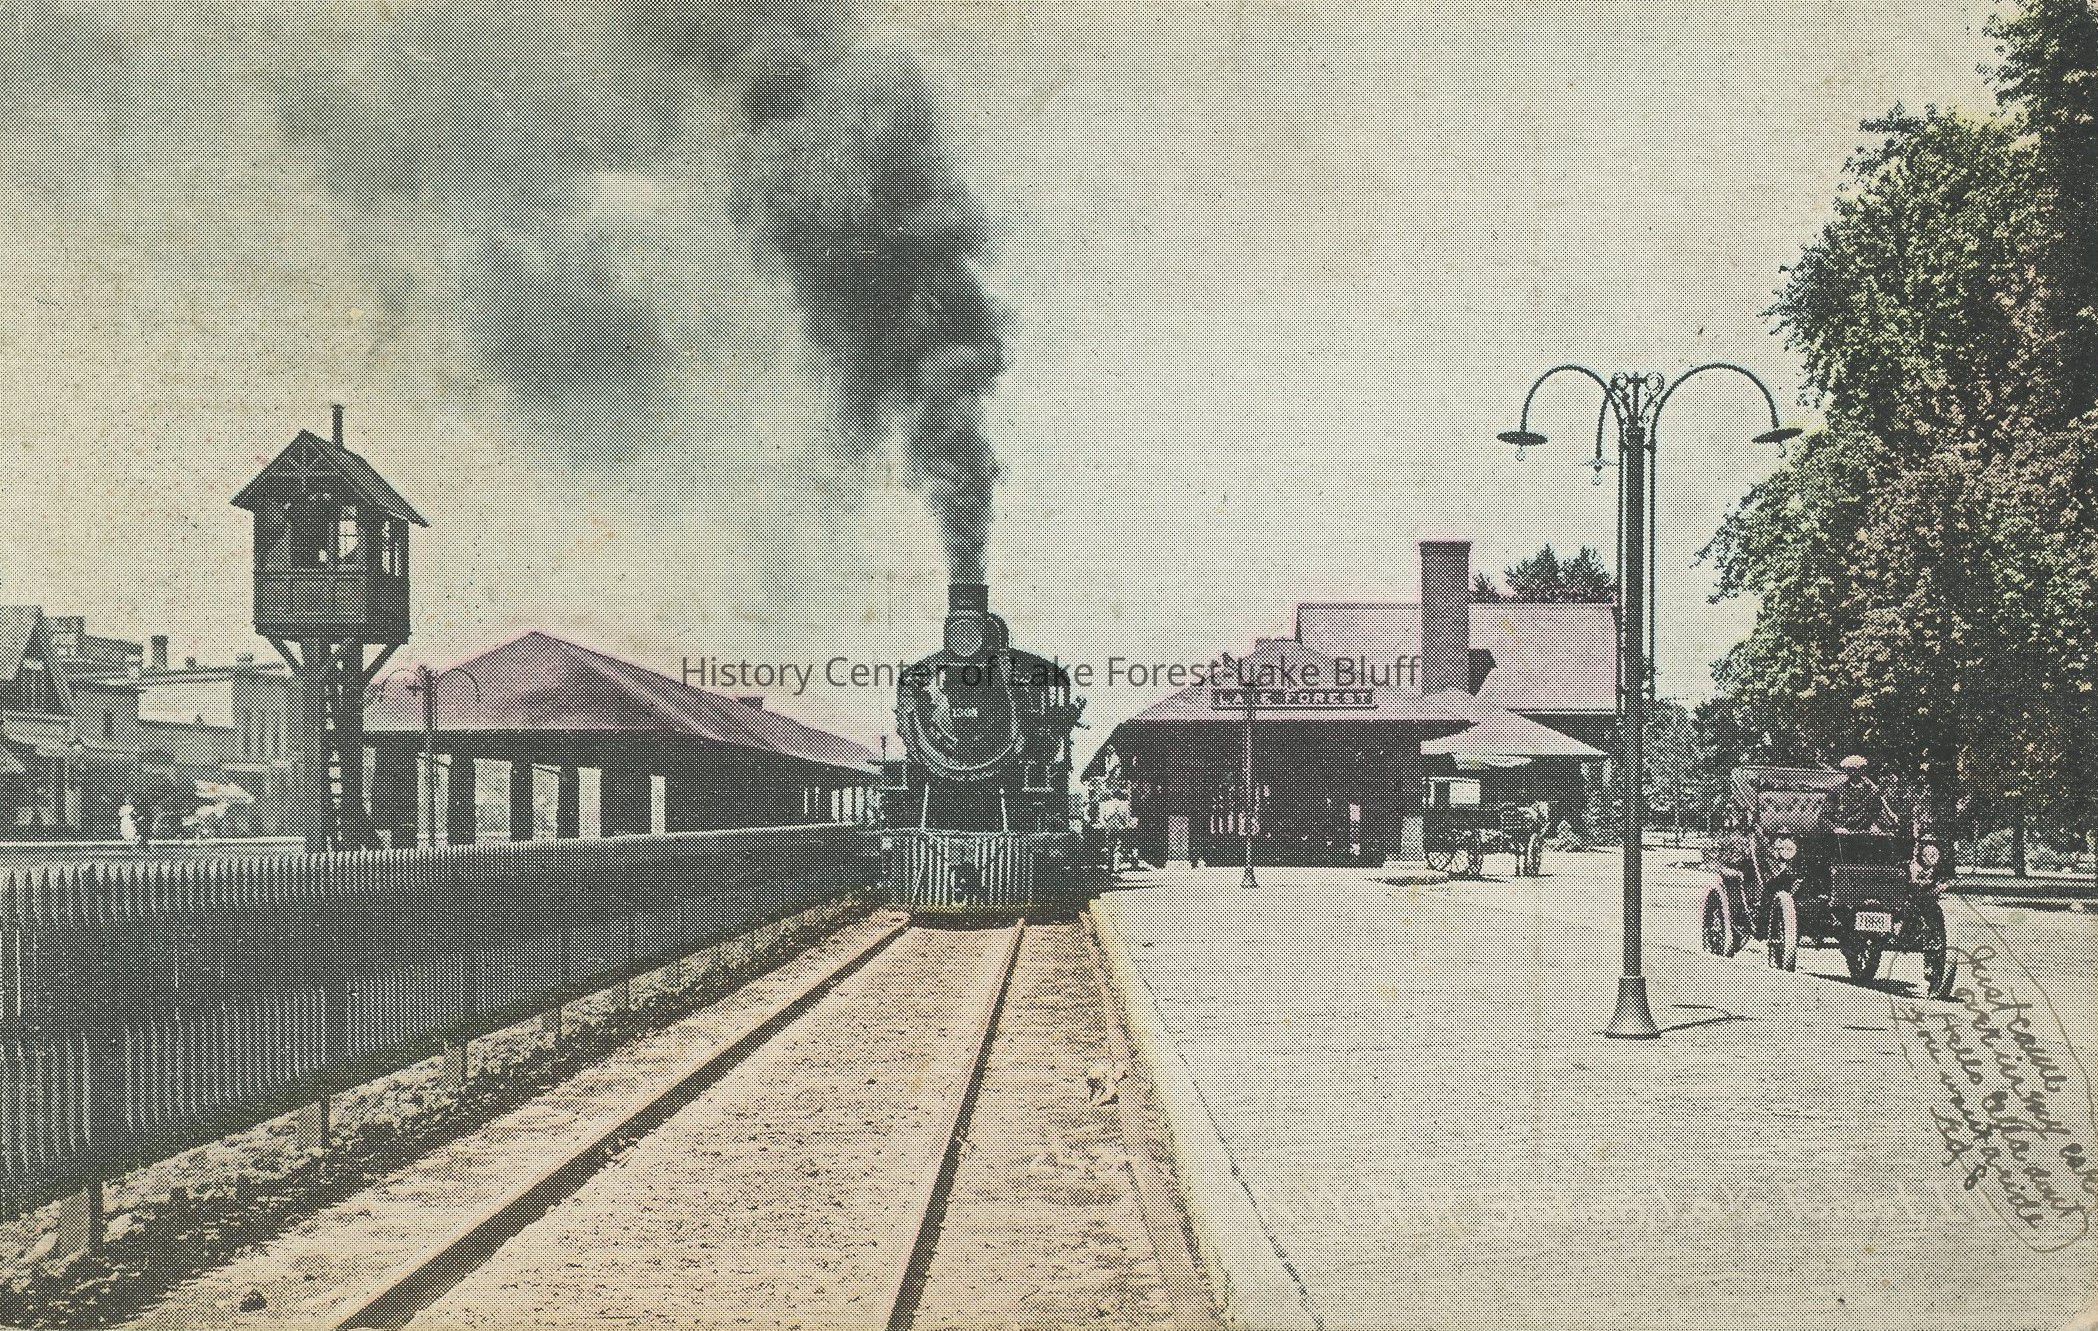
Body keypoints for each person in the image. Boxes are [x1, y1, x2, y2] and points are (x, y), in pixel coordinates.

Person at [1828, 755, 1894, 833]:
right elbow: (1827, 814)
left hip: (1865, 830)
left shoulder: (1870, 790)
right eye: (1850, 770)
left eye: (1858, 770)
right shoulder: (1838, 790)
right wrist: (1836, 828)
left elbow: (1878, 810)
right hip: (1843, 829)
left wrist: (1877, 826)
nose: (1853, 773)